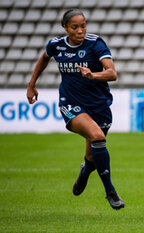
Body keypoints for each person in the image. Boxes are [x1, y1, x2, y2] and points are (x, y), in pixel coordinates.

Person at [26, 9, 124, 211]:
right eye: (75, 27)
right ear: (65, 27)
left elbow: (112, 73)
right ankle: (110, 192)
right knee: (97, 136)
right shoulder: (56, 45)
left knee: (92, 156)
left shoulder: (95, 43)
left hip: (99, 105)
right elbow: (44, 58)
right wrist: (32, 83)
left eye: (83, 26)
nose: (80, 31)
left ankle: (86, 170)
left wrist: (93, 76)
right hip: (70, 103)